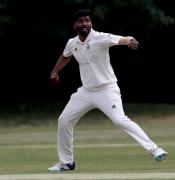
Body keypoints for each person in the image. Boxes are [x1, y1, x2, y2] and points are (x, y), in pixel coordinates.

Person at [48, 9, 167, 172]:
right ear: (75, 24)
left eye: (87, 20)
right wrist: (55, 72)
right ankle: (66, 163)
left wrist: (131, 41)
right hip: (85, 92)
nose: (85, 24)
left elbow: (123, 39)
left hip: (106, 89)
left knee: (120, 120)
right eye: (81, 21)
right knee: (64, 120)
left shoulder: (101, 37)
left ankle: (155, 150)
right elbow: (65, 56)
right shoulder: (72, 43)